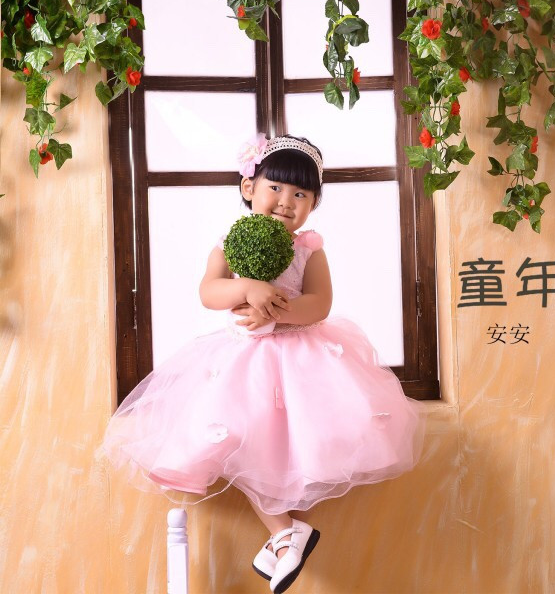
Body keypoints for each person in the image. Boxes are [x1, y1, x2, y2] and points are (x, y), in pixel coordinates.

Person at [96, 133, 427, 594]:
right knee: (243, 442)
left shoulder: (309, 247)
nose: (286, 201)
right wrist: (246, 288)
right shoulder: (230, 241)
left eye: (301, 194)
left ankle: (285, 536)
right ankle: (284, 533)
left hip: (303, 358)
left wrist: (276, 311)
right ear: (249, 187)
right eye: (276, 187)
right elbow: (210, 291)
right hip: (244, 361)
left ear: (313, 204)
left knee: (306, 448)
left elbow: (320, 303)